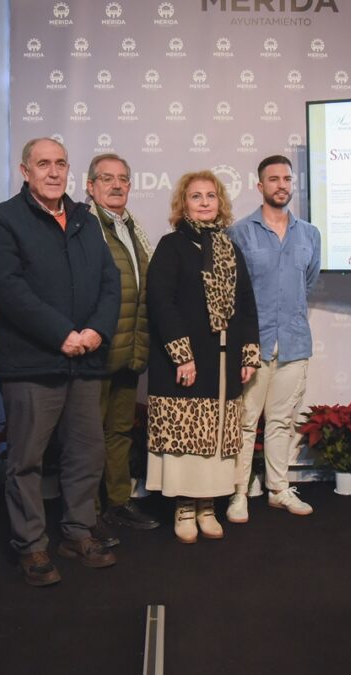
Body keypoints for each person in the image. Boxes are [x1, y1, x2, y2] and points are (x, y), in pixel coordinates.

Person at [0, 137, 121, 585]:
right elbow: (8, 290)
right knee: (26, 460)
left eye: (61, 162)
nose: (54, 171)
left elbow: (109, 281)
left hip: (85, 361)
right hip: (33, 364)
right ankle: (32, 546)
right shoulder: (4, 220)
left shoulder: (85, 218)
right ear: (25, 171)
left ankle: (77, 532)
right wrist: (61, 335)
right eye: (43, 164)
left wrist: (96, 330)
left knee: (86, 453)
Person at [145, 171, 260, 543]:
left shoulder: (229, 248)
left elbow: (246, 305)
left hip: (224, 362)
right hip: (185, 361)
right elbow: (162, 304)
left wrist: (248, 353)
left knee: (215, 438)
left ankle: (207, 506)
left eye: (211, 195)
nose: (206, 202)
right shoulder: (171, 246)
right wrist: (182, 355)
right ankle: (183, 507)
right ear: (184, 204)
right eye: (196, 196)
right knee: (186, 437)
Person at [227, 155, 320, 522]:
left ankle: (278, 489)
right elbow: (232, 291)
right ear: (259, 185)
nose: (281, 184)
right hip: (253, 345)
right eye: (273, 178)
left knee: (281, 421)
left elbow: (308, 281)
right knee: (246, 421)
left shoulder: (310, 233)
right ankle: (238, 493)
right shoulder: (239, 232)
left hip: (294, 343)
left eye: (286, 178)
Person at [84, 153, 161, 540]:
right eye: (107, 178)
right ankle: (88, 513)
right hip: (96, 350)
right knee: (89, 434)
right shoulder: (84, 226)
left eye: (123, 179)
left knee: (118, 431)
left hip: (130, 350)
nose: (116, 185)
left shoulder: (133, 228)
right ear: (90, 185)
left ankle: (116, 502)